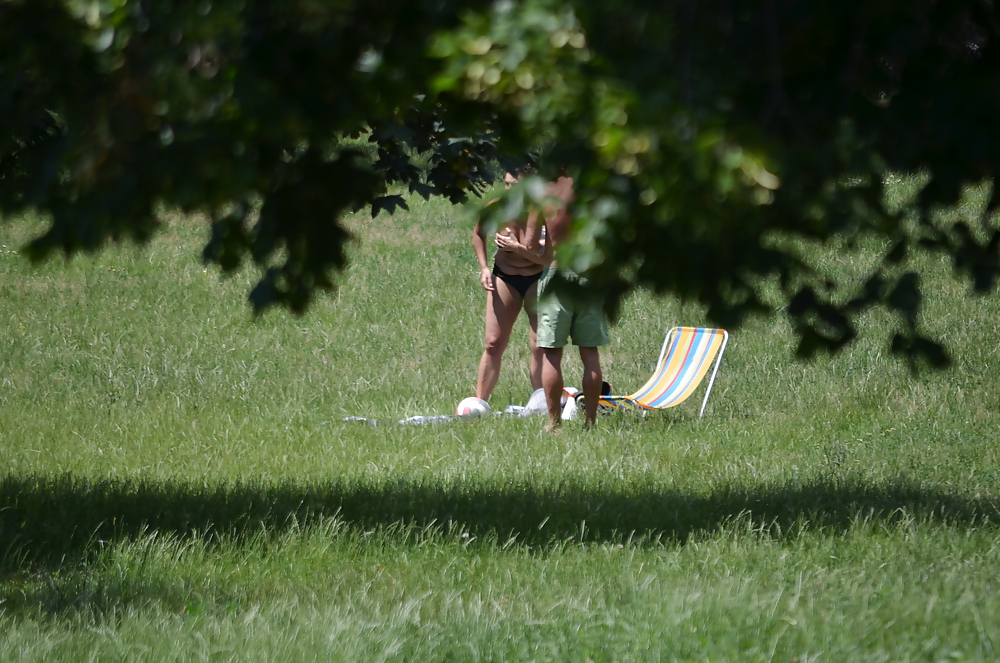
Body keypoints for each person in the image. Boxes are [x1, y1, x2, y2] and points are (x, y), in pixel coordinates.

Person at [524, 175, 609, 431]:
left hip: (557, 274)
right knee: (590, 354)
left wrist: (544, 248)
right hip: (589, 276)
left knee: (551, 355)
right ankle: (591, 422)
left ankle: (554, 424)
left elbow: (530, 244)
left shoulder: (545, 194)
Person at [471, 172, 550, 403]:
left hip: (538, 277)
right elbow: (478, 233)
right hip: (504, 277)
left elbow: (548, 259)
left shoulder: (543, 211)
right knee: (493, 343)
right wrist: (484, 268)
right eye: (506, 185)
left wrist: (518, 249)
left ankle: (541, 404)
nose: (509, 191)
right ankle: (480, 403)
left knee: (539, 345)